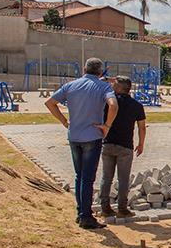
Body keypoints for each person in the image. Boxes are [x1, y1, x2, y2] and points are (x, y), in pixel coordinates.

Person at [45, 58, 118, 229]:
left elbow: (50, 103)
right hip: (92, 136)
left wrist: (64, 121)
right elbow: (113, 105)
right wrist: (107, 126)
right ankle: (86, 217)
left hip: (74, 135)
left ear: (84, 69)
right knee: (87, 178)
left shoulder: (71, 85)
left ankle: (80, 212)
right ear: (100, 72)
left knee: (79, 177)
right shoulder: (103, 87)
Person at [98, 75, 146, 219]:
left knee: (106, 177)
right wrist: (141, 143)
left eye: (114, 85)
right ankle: (122, 209)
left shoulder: (107, 103)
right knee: (123, 179)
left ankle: (105, 208)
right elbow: (142, 127)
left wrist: (105, 80)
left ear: (118, 87)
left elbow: (99, 85)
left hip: (107, 143)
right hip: (125, 146)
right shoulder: (136, 105)